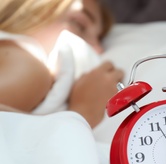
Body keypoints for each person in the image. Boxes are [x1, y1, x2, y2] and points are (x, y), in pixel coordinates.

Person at [0, 0, 124, 128]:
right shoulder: (29, 65)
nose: (98, 50)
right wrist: (83, 114)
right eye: (80, 25)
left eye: (100, 40)